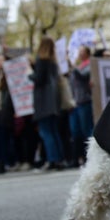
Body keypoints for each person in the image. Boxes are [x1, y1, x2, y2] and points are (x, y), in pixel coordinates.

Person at [31, 37, 65, 170]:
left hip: (43, 101)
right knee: (53, 131)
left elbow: (38, 79)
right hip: (53, 101)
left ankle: (52, 159)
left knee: (46, 132)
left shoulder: (41, 61)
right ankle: (59, 159)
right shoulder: (53, 63)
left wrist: (29, 74)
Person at [69, 45, 94, 165]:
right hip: (77, 102)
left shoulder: (89, 65)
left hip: (85, 100)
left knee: (87, 129)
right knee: (77, 131)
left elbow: (83, 76)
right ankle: (83, 157)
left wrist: (72, 67)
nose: (79, 53)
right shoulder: (80, 66)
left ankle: (92, 156)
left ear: (87, 53)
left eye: (81, 51)